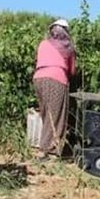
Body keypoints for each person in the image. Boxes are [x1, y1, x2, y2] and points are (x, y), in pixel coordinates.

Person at [32, 19, 76, 160]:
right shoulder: (67, 46)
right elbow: (72, 70)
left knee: (46, 114)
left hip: (39, 78)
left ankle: (44, 148)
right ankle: (49, 151)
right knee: (57, 116)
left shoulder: (43, 43)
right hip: (56, 79)